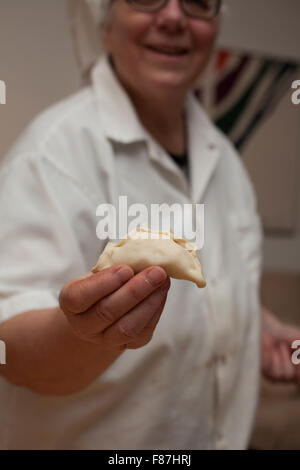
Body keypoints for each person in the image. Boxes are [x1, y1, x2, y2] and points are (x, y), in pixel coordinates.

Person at [0, 0, 299, 450]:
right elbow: (11, 349)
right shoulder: (51, 154)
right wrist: (85, 333)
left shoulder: (226, 160)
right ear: (106, 24)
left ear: (216, 25)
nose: (174, 17)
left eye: (197, 1)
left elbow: (207, 281)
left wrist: (257, 324)